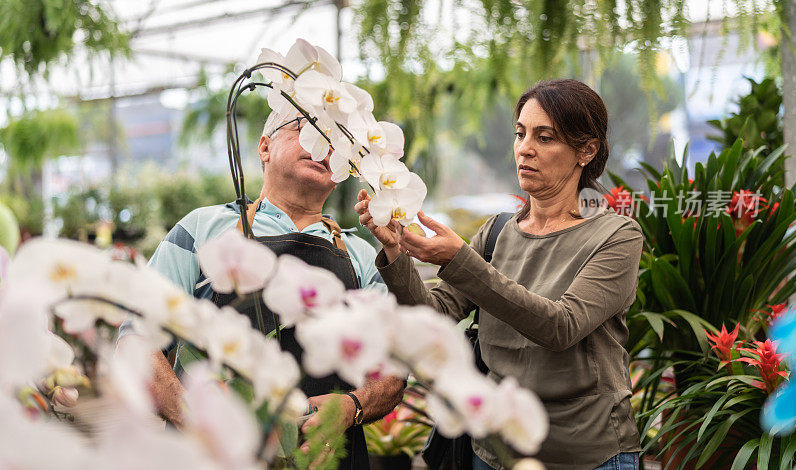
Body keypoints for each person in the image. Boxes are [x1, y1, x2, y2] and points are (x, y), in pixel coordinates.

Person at [355, 79, 643, 470]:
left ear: (587, 150)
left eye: (545, 137)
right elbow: (432, 316)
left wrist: (459, 260)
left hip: (587, 455)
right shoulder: (496, 232)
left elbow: (561, 326)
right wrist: (394, 250)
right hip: (494, 454)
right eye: (520, 134)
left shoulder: (616, 236)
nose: (525, 148)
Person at [118, 110, 405, 469]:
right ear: (265, 147)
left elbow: (393, 374)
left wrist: (351, 407)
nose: (322, 146)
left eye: (336, 141)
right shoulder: (202, 230)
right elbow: (135, 337)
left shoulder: (362, 255)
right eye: (305, 130)